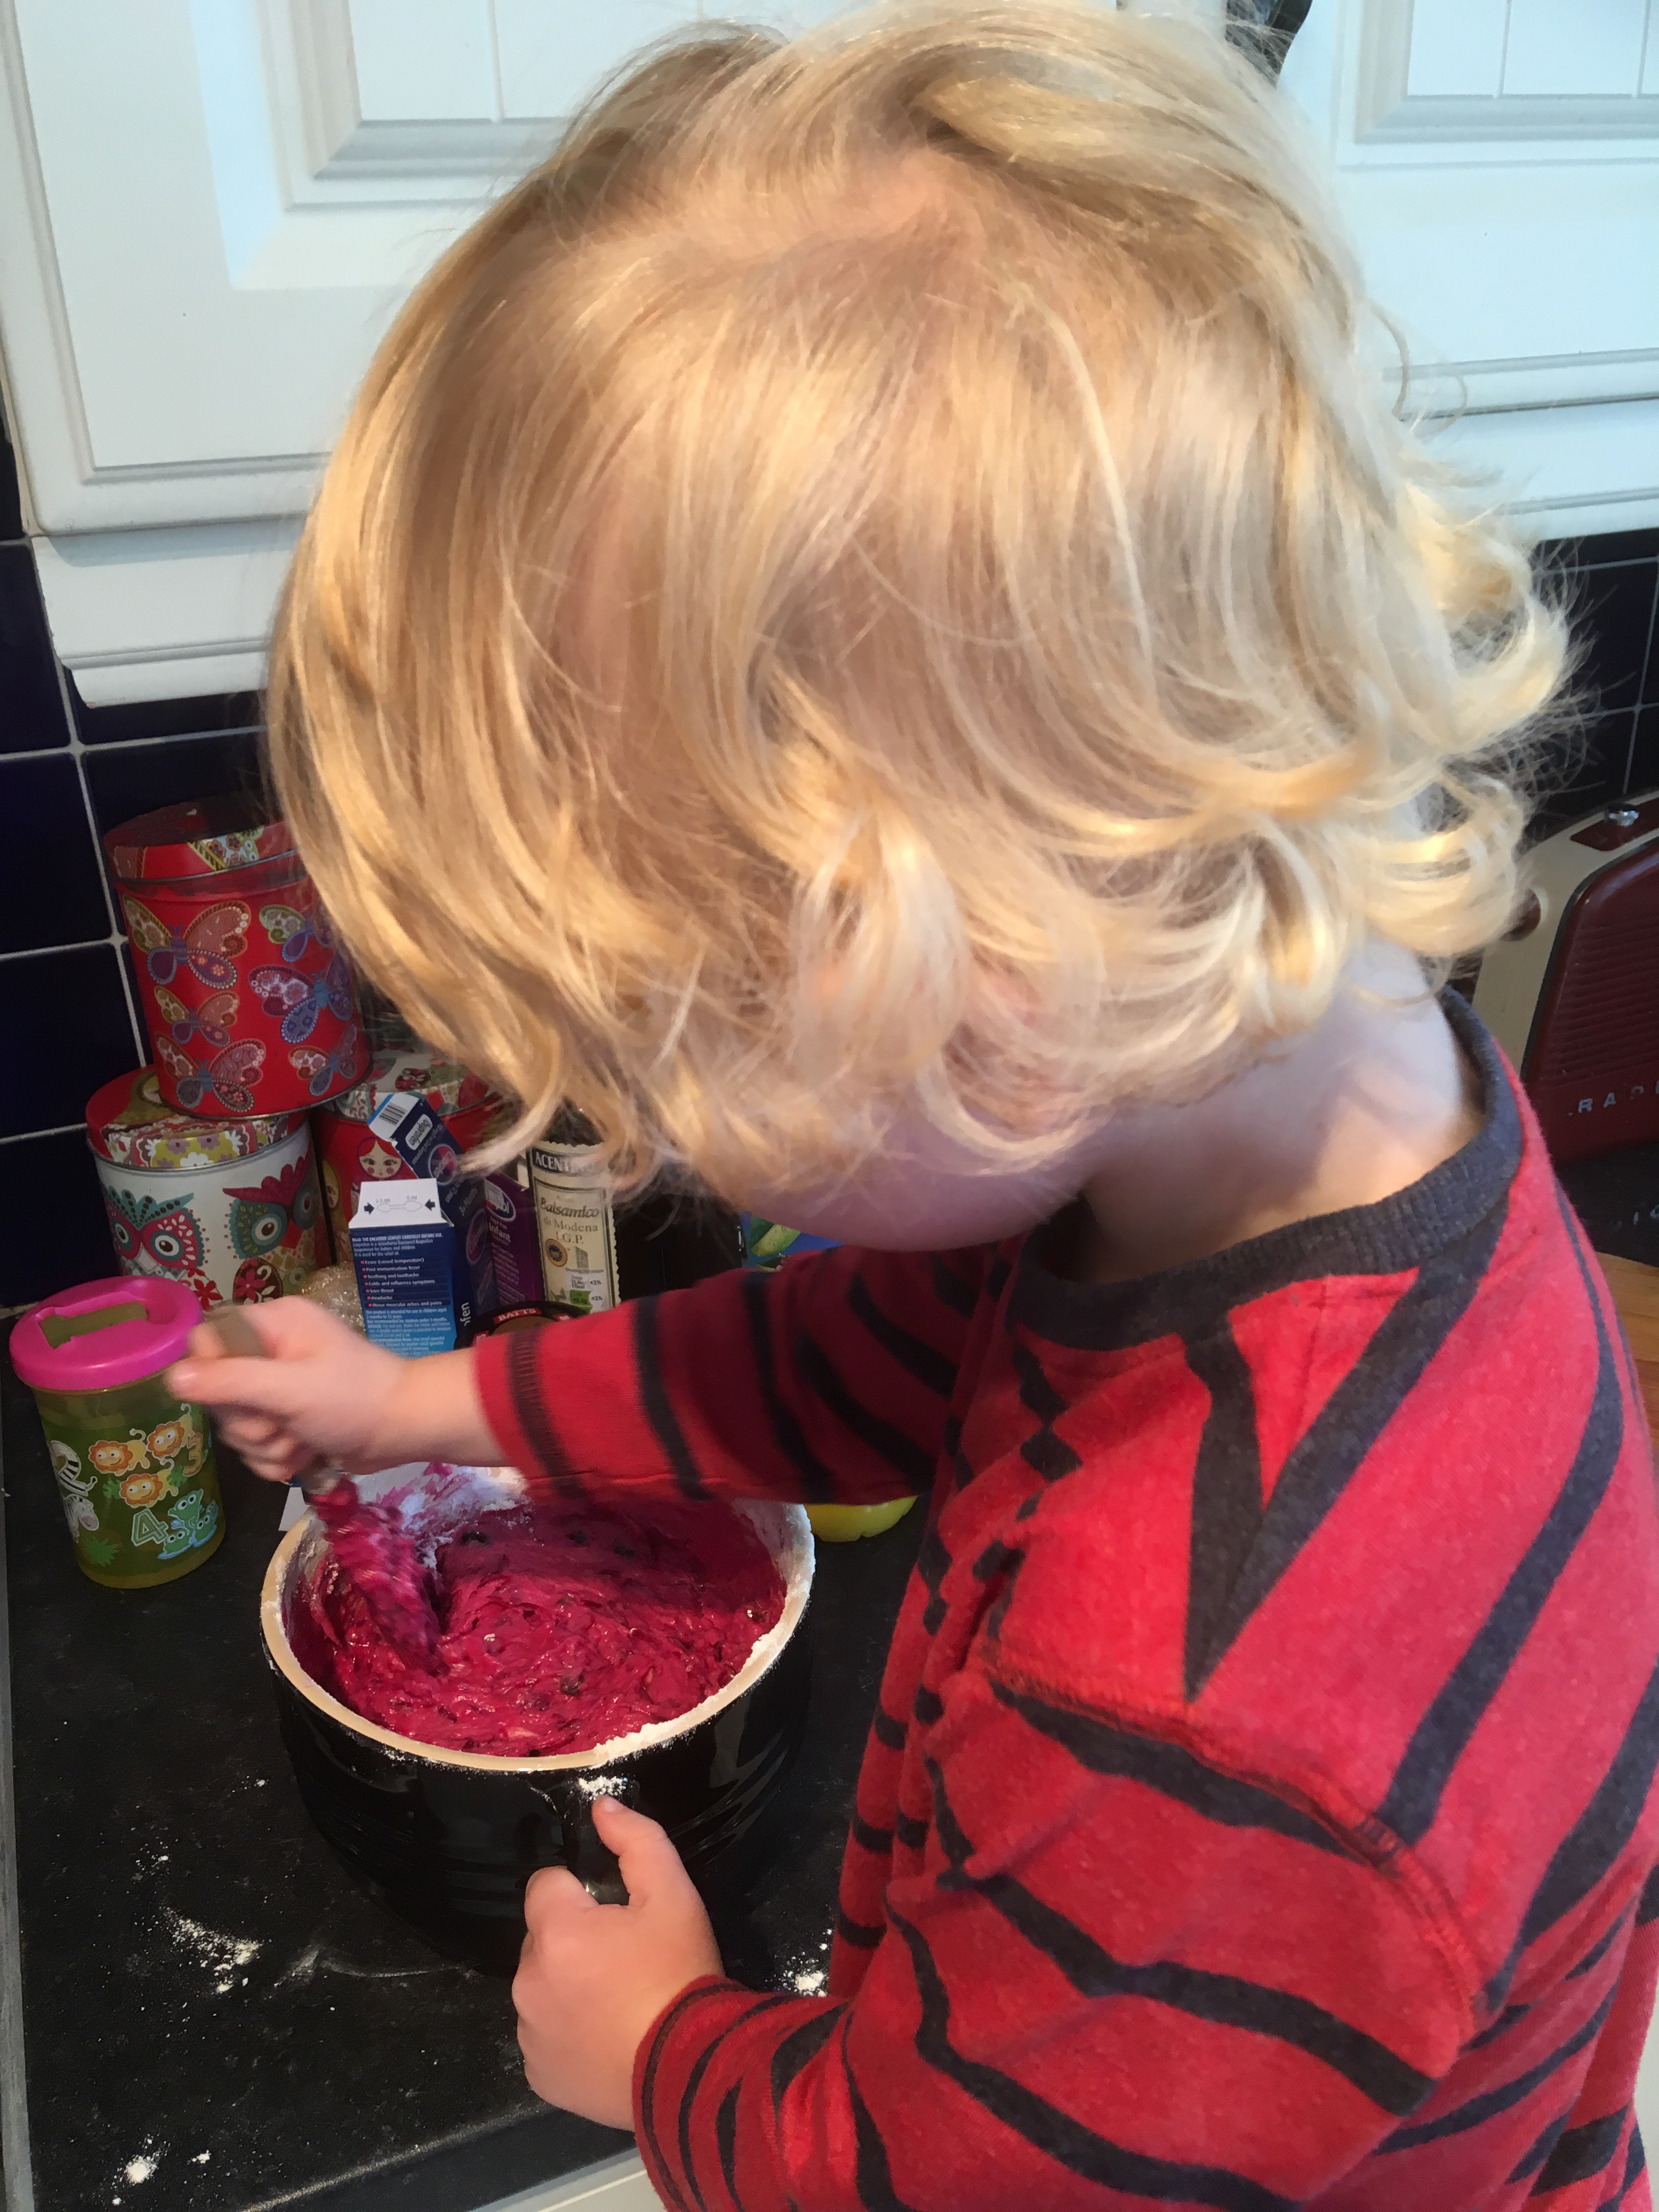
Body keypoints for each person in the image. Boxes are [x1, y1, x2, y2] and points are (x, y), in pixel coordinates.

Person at [168, 4, 1659, 2204]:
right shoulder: (1325, 1129)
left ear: (994, 971)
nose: (642, 1142)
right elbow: (873, 1352)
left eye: (652, 1051)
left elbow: (923, 2184)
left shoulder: (1205, 1721)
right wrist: (426, 1408)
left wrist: (657, 2050)